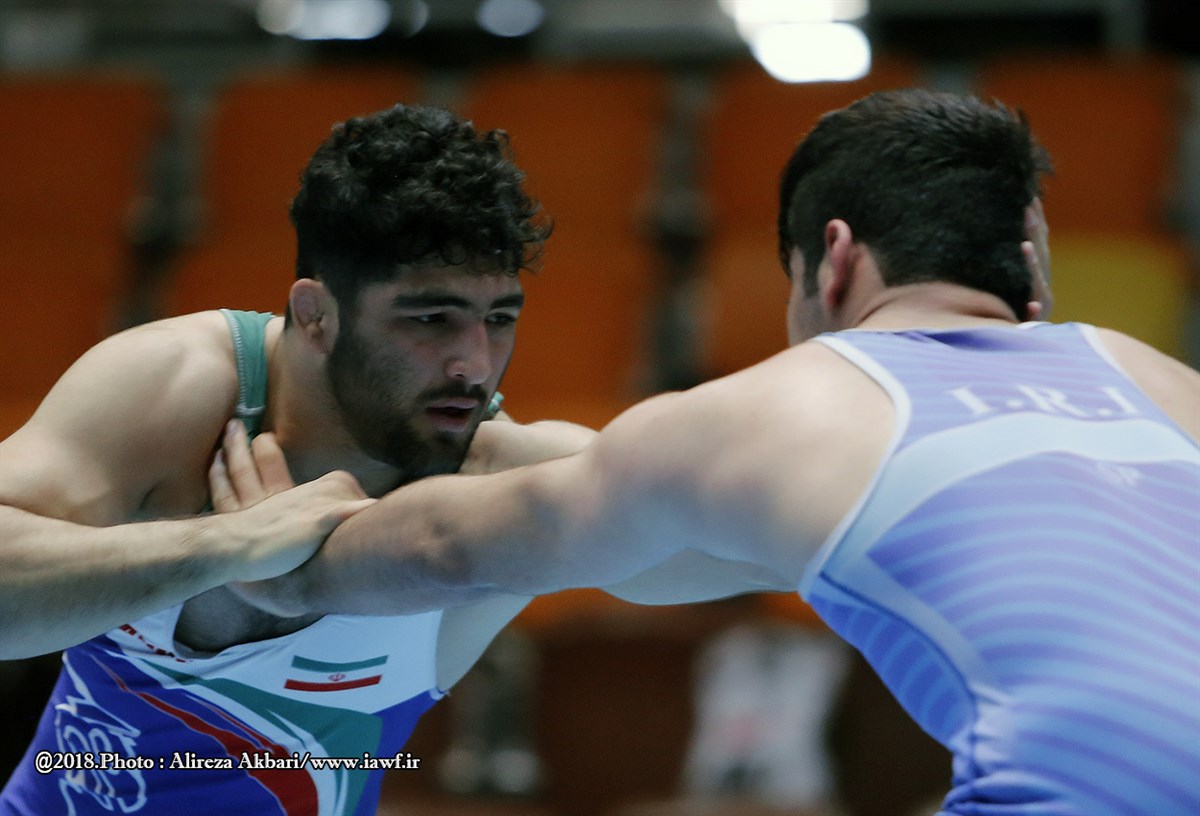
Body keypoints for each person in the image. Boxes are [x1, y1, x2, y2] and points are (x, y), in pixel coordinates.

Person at [223, 90, 1200, 815]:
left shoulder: (784, 407)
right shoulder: (1167, 384)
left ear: (836, 260)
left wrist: (282, 568)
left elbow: (451, 545)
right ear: (1032, 267)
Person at [0, 103, 605, 816]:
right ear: (316, 313)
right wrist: (226, 545)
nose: (474, 364)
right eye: (429, 318)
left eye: (500, 319)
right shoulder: (178, 387)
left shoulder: (508, 479)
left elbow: (699, 533)